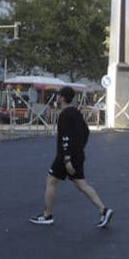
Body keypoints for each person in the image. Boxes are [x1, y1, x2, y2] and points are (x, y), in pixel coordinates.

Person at [29, 85, 113, 227]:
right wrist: (79, 149)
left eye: (58, 95)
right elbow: (86, 132)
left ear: (62, 98)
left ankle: (47, 215)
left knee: (51, 180)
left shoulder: (64, 114)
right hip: (77, 154)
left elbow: (65, 137)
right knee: (82, 185)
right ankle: (103, 210)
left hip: (65, 156)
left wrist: (67, 158)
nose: (57, 98)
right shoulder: (76, 113)